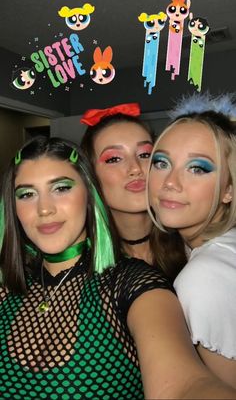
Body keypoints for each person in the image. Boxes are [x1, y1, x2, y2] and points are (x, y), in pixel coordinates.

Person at [1, 137, 236, 399]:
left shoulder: (133, 285)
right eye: (27, 194)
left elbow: (183, 386)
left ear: (89, 195)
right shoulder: (6, 291)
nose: (44, 209)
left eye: (61, 188)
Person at [147, 92, 236, 389]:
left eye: (197, 168)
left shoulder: (202, 278)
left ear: (229, 190)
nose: (170, 182)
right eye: (161, 163)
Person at [81, 102, 186, 281]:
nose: (135, 168)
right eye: (114, 158)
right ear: (91, 175)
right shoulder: (80, 264)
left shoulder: (192, 245)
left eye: (145, 155)